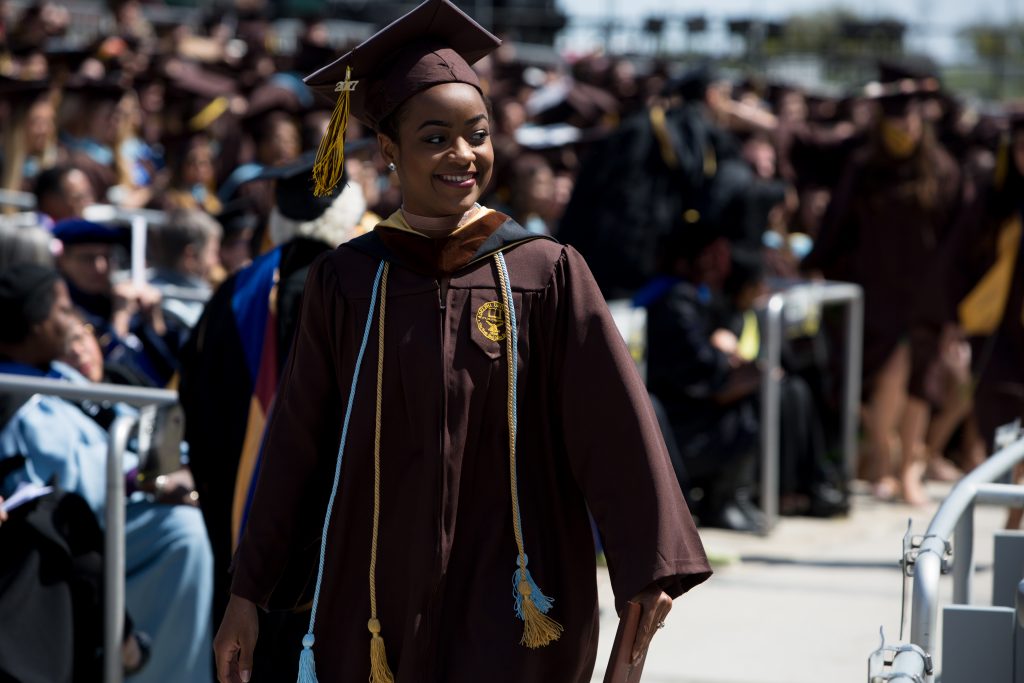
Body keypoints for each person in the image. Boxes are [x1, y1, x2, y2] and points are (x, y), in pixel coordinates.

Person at [213, 2, 711, 682]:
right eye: (435, 137)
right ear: (388, 150)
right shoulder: (348, 281)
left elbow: (616, 430)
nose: (463, 154)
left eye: (477, 134)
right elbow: (295, 442)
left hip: (516, 593)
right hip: (375, 599)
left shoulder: (548, 272)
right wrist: (249, 591)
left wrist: (645, 574)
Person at [0, 262, 214, 683]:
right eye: (63, 311)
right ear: (37, 324)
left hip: (125, 507)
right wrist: (150, 481)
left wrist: (175, 470)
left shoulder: (59, 374)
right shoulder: (16, 397)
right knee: (183, 533)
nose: (73, 322)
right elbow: (72, 489)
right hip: (79, 530)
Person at [803, 87, 963, 505]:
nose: (903, 129)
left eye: (909, 121)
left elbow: (955, 237)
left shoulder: (941, 169)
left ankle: (906, 465)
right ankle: (883, 456)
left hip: (926, 292)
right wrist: (819, 264)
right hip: (877, 291)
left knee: (919, 380)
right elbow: (839, 224)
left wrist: (954, 297)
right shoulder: (866, 167)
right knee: (885, 377)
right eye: (895, 121)